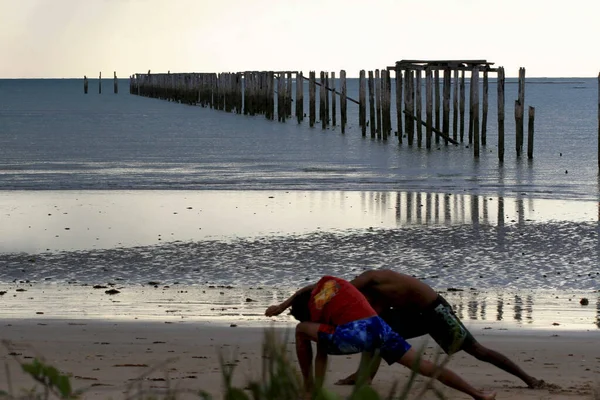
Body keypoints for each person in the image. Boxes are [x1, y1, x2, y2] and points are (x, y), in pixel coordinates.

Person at [266, 269, 546, 389]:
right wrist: (284, 305)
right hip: (409, 314)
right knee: (377, 332)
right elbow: (320, 291)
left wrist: (282, 306)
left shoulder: (366, 282)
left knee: (474, 349)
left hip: (435, 310)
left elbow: (318, 290)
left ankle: (529, 379)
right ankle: (362, 378)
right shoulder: (369, 297)